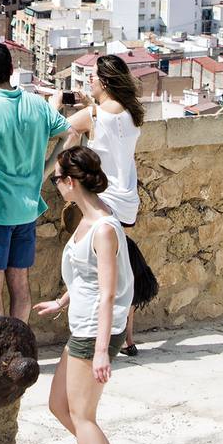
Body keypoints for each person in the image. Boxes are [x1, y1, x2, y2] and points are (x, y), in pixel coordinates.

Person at [34, 147, 136, 444]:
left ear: (71, 181)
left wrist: (103, 351)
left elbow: (108, 291)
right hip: (82, 324)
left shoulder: (104, 229)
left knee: (82, 415)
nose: (56, 185)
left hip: (94, 331)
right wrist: (60, 303)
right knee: (59, 405)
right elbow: (84, 276)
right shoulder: (86, 219)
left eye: (58, 178)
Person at [0, 41, 69, 321]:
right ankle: (18, 347)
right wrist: (45, 170)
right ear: (11, 69)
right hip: (26, 208)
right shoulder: (37, 105)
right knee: (20, 282)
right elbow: (72, 135)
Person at [55, 54, 145, 355]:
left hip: (102, 198)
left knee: (92, 271)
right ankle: (128, 337)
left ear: (104, 81)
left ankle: (92, 331)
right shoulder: (133, 113)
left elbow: (61, 128)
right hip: (128, 200)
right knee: (122, 267)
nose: (88, 81)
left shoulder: (93, 115)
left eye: (92, 77)